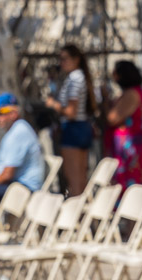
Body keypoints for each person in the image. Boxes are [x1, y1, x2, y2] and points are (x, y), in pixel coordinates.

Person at [45, 44, 95, 196]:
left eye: (64, 59)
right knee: (81, 178)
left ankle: (77, 217)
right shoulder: (79, 77)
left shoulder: (74, 79)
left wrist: (53, 104)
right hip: (81, 128)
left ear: (76, 59)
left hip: (73, 129)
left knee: (73, 179)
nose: (62, 63)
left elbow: (71, 112)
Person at [0, 92, 45, 200]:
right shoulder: (16, 129)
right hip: (16, 185)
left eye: (0, 113)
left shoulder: (19, 132)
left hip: (24, 188)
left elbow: (7, 175)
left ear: (14, 113)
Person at [103, 60, 142, 188]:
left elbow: (112, 118)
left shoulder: (132, 94)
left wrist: (106, 101)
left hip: (128, 150)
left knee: (125, 183)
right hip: (131, 147)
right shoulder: (135, 92)